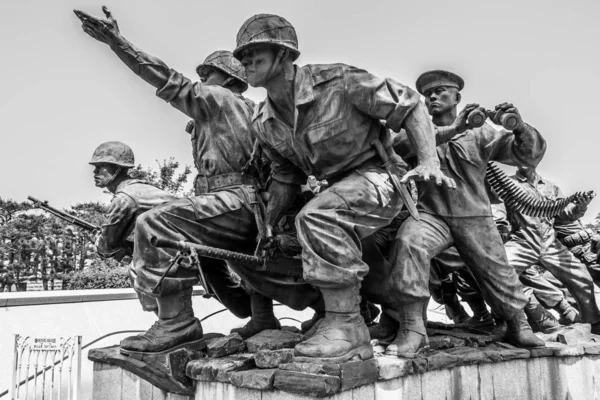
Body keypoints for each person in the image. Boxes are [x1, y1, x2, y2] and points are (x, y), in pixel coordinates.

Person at [75, 9, 325, 355]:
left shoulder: (219, 100)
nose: (200, 81)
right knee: (237, 262)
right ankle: (263, 317)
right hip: (254, 203)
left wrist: (117, 43)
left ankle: (176, 324)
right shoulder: (250, 111)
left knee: (156, 225)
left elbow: (166, 79)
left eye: (206, 75)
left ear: (223, 79)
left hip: (237, 198)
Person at [233, 14, 454, 362]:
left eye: (255, 53)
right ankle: (374, 315)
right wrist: (271, 223)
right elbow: (285, 176)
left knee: (319, 217)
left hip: (380, 177)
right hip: (336, 188)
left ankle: (345, 325)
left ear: (283, 55)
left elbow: (409, 104)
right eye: (242, 57)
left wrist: (429, 161)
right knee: (315, 236)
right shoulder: (264, 121)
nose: (245, 62)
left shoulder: (337, 81)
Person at [387, 70, 547, 356]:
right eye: (428, 94)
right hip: (431, 215)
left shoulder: (482, 132)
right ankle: (411, 327)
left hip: (475, 217)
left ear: (457, 97)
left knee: (498, 270)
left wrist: (520, 127)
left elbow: (527, 155)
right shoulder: (417, 129)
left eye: (440, 91)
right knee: (408, 243)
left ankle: (518, 324)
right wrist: (453, 129)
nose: (432, 96)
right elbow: (398, 147)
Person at [502, 166, 600, 333]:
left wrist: (579, 207)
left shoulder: (550, 186)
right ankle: (507, 323)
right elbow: (499, 212)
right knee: (500, 271)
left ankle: (594, 323)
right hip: (522, 240)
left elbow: (564, 215)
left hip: (549, 242)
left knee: (581, 277)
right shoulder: (507, 183)